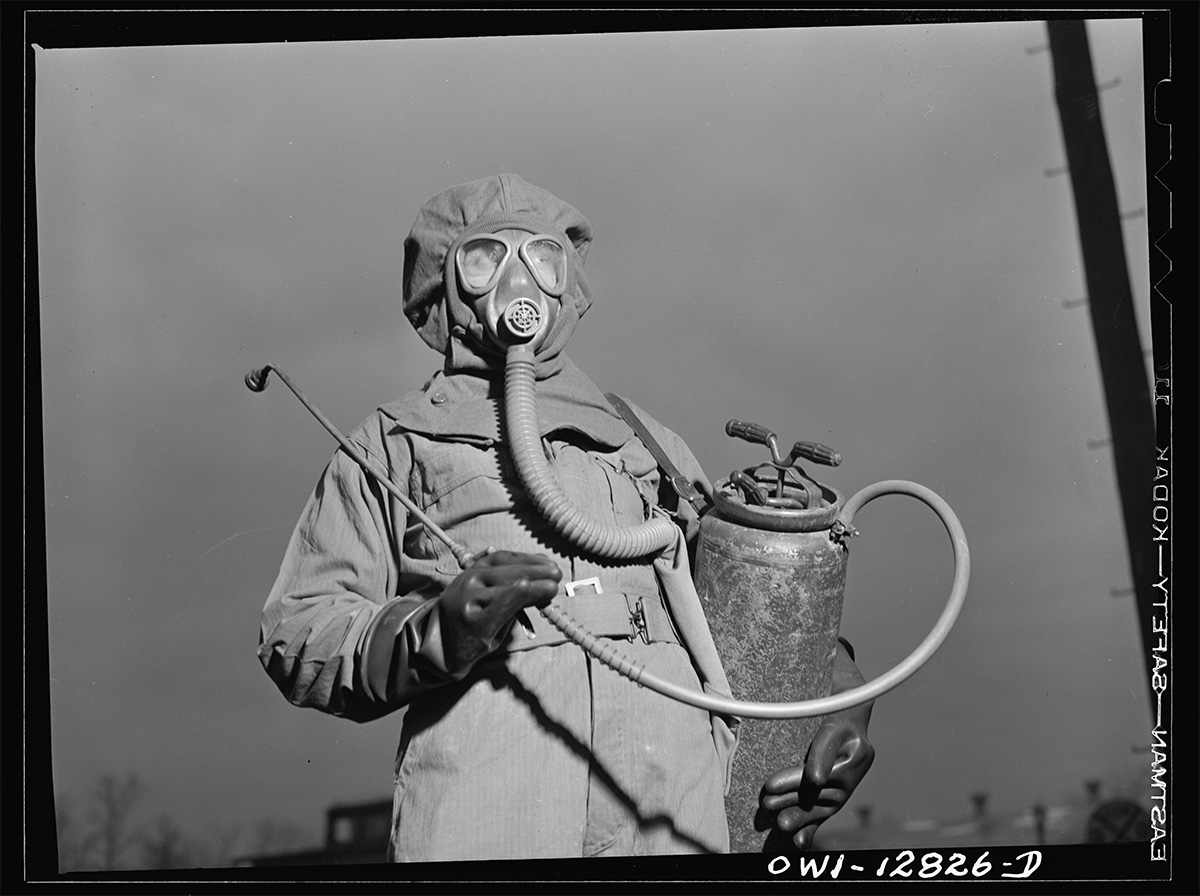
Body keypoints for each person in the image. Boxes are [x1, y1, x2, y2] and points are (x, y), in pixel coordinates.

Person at [257, 174, 874, 861]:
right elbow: (299, 629)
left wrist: (839, 705)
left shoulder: (644, 439)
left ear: (568, 282)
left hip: (670, 779)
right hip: (492, 769)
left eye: (543, 258)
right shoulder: (391, 443)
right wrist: (435, 632)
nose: (520, 280)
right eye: (487, 257)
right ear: (444, 286)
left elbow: (763, 601)